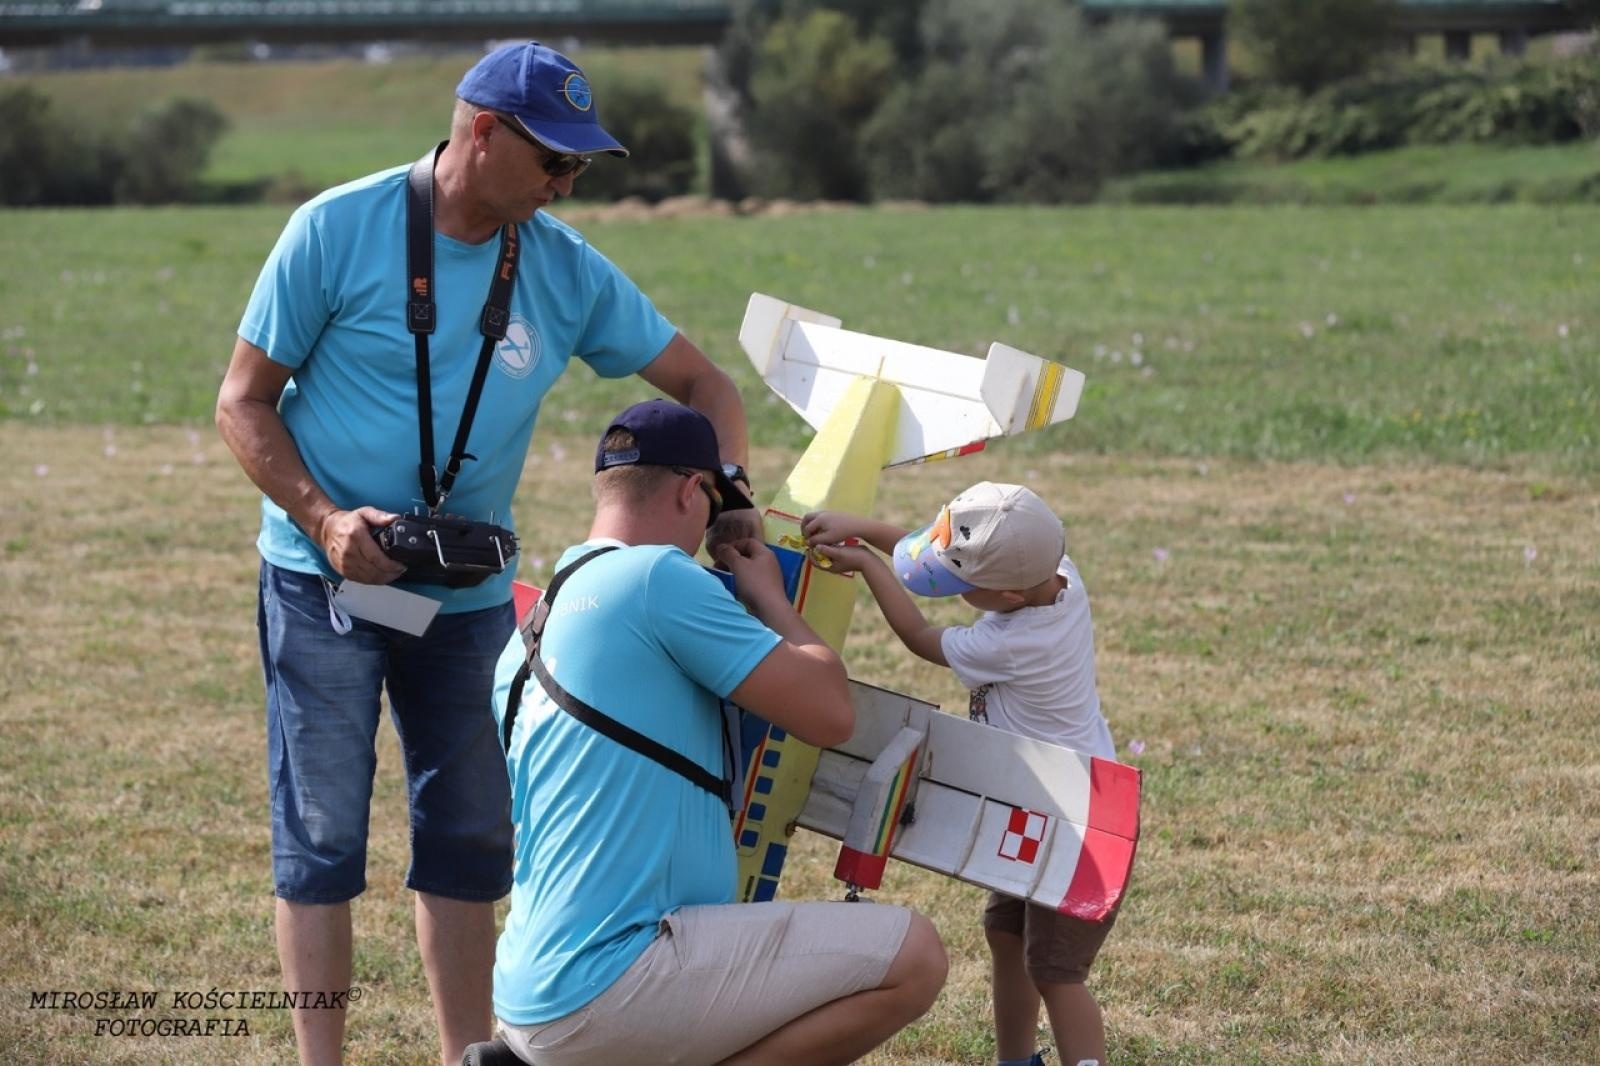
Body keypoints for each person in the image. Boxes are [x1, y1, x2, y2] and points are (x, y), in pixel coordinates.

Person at [214, 42, 761, 1066]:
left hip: (462, 603)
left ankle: (466, 1057)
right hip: (324, 582)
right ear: (480, 132)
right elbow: (242, 403)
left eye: (580, 167)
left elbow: (708, 386)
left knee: (470, 839)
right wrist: (327, 522)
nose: (567, 185)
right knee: (321, 839)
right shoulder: (335, 228)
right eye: (554, 161)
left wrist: (728, 495)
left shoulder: (561, 265)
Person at [464, 398, 947, 1066]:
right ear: (692, 491)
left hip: (528, 995)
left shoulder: (531, 630)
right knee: (913, 955)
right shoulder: (657, 577)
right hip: (614, 982)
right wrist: (768, 597)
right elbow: (829, 712)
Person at [802, 482, 1120, 1066]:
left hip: (1079, 823)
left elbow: (920, 638)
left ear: (1006, 594)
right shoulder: (1057, 574)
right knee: (1007, 935)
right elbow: (951, 553)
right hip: (1036, 804)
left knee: (1056, 970)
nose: (949, 589)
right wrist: (864, 528)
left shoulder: (1015, 641)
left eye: (959, 584)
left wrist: (870, 567)